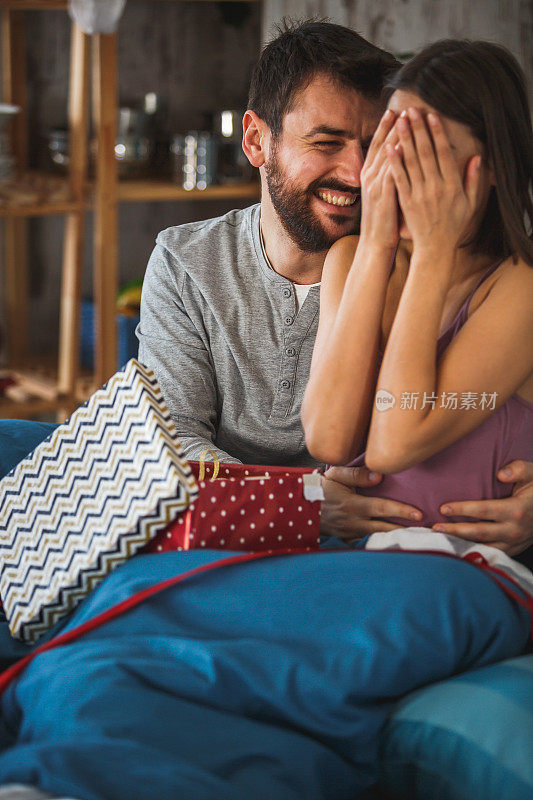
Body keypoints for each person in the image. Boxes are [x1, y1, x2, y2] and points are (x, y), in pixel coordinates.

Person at [137, 20, 533, 556]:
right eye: (327, 142)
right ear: (256, 139)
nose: (358, 172)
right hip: (248, 523)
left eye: (375, 145)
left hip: (373, 545)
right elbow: (167, 444)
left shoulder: (464, 269)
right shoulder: (188, 261)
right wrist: (301, 499)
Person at [302, 38, 533, 559]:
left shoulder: (520, 285)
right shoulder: (352, 258)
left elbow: (393, 444)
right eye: (393, 144)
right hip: (351, 559)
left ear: (493, 166)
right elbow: (329, 438)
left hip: (461, 573)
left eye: (428, 152)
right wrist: (379, 244)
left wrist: (433, 252)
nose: (401, 171)